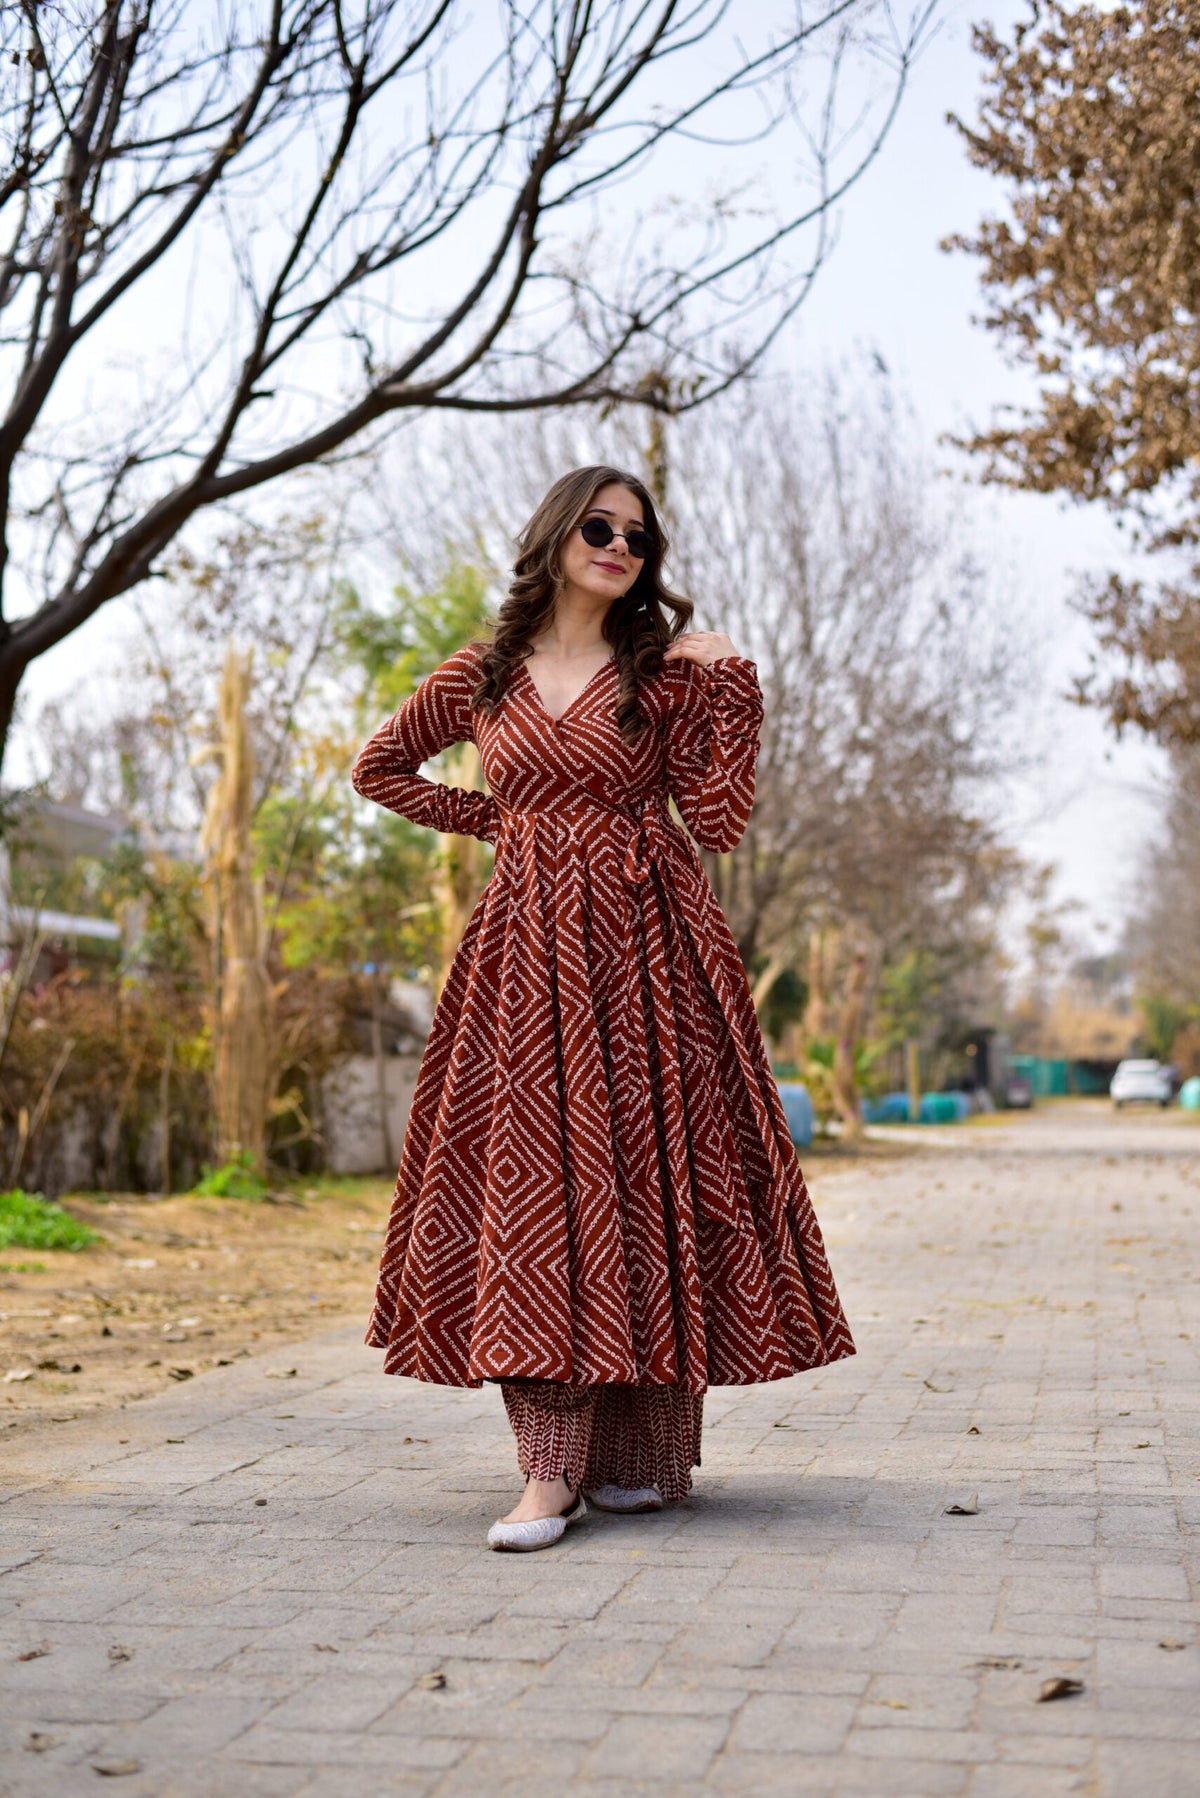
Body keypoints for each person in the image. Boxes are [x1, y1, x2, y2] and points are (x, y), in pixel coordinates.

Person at [351, 465, 854, 1552]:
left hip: (652, 952)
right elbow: (379, 767)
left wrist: (734, 689)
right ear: (555, 534)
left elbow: (716, 820)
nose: (620, 545)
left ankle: (633, 1460)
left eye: (638, 535)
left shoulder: (664, 674)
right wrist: (502, 823)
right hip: (525, 956)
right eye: (599, 526)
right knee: (534, 1183)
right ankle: (547, 1472)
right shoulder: (483, 673)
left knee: (646, 1176)